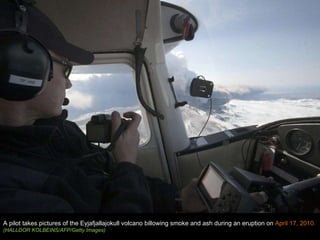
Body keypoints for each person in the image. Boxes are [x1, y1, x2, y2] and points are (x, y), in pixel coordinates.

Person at [0, 0, 206, 213]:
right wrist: (126, 162)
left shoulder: (61, 132)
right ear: (23, 68)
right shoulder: (10, 192)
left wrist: (178, 200)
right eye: (67, 69)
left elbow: (109, 182)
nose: (69, 83)